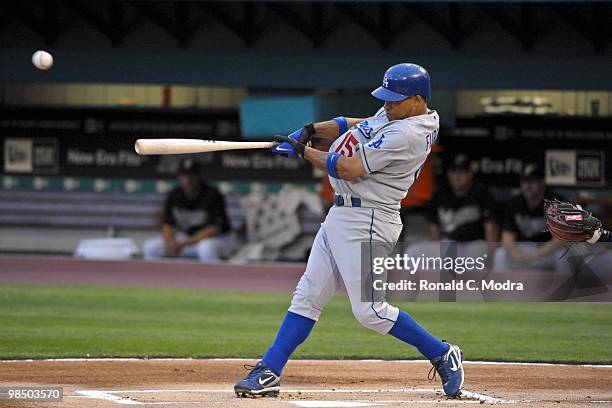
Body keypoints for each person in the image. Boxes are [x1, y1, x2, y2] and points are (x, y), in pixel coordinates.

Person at [234, 63, 464, 398]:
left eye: (394, 100)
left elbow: (349, 167)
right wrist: (310, 129)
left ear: (417, 99)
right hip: (342, 214)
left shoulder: (409, 134)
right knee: (308, 295)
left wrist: (302, 151)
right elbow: (355, 125)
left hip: (369, 221)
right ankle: (268, 370)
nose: (386, 105)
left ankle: (442, 353)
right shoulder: (402, 114)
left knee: (370, 311)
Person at [405, 153, 498, 265]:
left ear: (470, 174)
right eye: (454, 171)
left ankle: (472, 282)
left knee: (478, 256)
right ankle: (429, 282)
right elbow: (434, 228)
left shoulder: (481, 192)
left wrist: (492, 254)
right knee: (412, 253)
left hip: (475, 244)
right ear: (448, 174)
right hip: (449, 243)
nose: (457, 176)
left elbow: (491, 227)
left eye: (462, 172)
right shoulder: (440, 194)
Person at [143, 159, 231, 262]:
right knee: (151, 247)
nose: (188, 179)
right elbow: (168, 224)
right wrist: (170, 242)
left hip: (215, 239)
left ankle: (213, 278)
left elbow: (213, 229)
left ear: (199, 176)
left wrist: (183, 244)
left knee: (206, 248)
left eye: (191, 175)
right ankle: (157, 278)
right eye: (184, 175)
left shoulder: (212, 195)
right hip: (185, 238)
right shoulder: (174, 194)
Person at [493, 163, 564, 271]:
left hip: (547, 250)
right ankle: (501, 287)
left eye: (532, 181)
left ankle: (566, 287)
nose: (527, 186)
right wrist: (513, 252)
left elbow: (560, 239)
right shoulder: (514, 203)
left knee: (563, 255)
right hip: (523, 249)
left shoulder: (556, 202)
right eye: (525, 181)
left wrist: (536, 255)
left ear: (542, 183)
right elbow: (507, 236)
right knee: (500, 254)